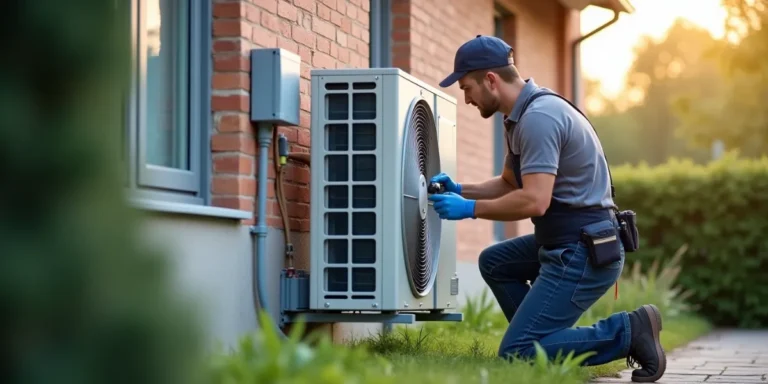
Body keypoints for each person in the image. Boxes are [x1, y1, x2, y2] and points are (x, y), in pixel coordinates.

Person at [427, 35, 666, 383]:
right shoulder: (519, 117)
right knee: (494, 262)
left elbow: (534, 200)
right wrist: (461, 188)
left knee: (517, 353)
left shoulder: (540, 118)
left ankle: (630, 331)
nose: (465, 99)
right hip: (564, 243)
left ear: (491, 80)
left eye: (467, 88)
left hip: (582, 250)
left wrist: (470, 208)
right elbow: (511, 183)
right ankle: (544, 342)